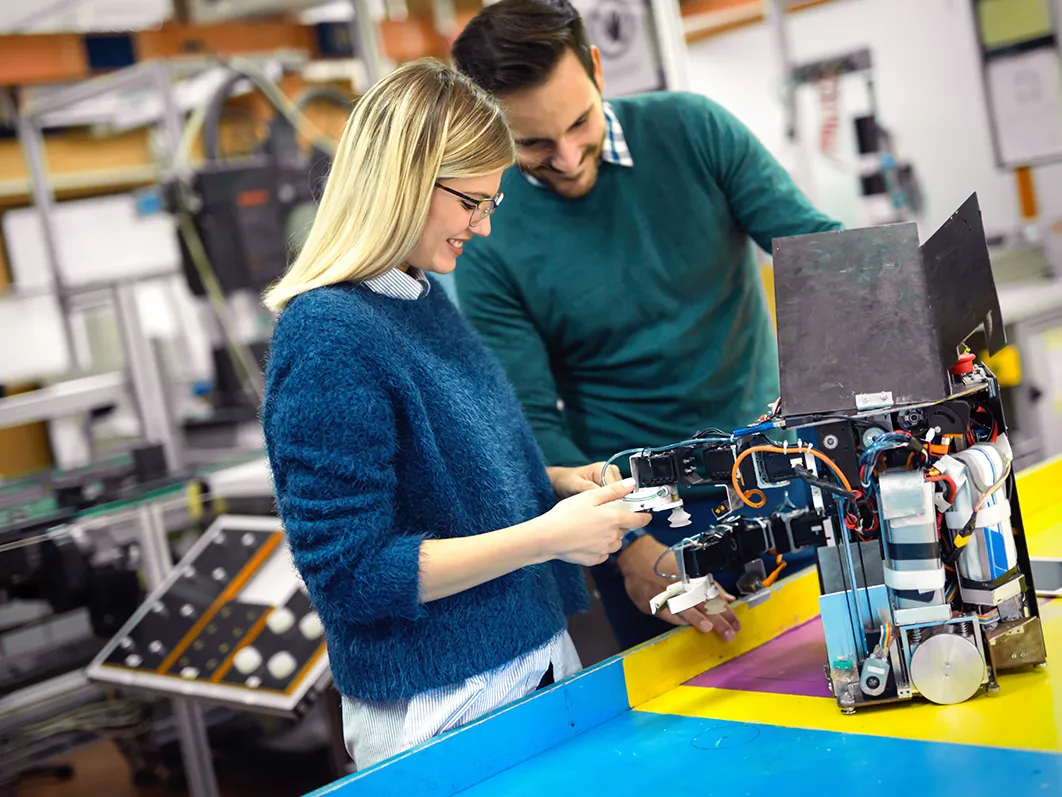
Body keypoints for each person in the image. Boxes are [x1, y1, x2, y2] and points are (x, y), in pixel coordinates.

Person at [260, 58, 651, 769]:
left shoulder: (417, 294)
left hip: (526, 666)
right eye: (471, 202)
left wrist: (557, 485)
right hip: (442, 706)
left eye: (491, 204)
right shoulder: (327, 333)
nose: (484, 227)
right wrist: (548, 535)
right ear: (405, 182)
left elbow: (453, 482)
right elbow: (352, 573)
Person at [450, 0, 843, 651]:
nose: (571, 157)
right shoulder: (488, 236)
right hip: (641, 523)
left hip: (783, 476)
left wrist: (906, 299)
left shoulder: (693, 131)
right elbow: (531, 426)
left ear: (597, 68)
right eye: (535, 144)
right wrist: (629, 545)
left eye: (579, 122)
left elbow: (817, 256)